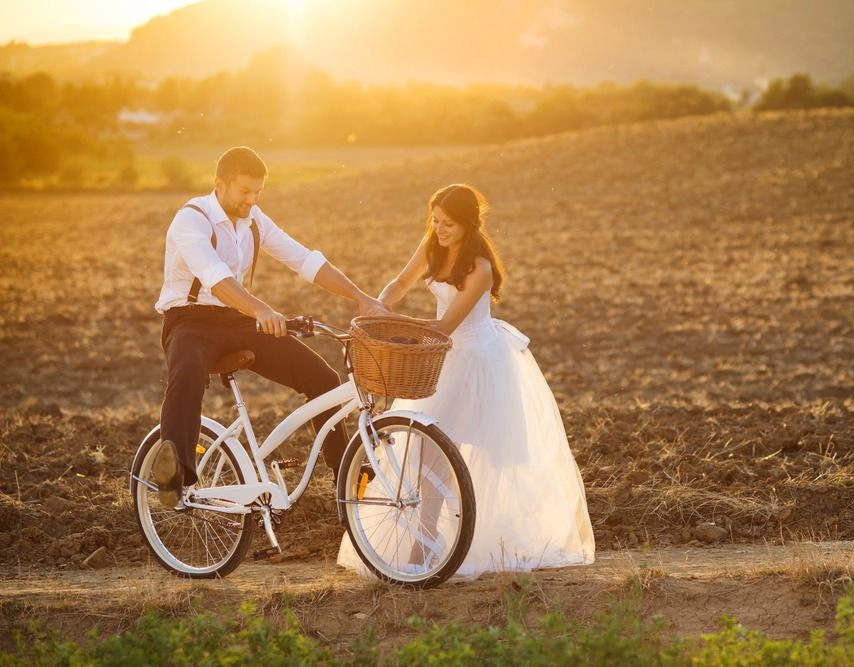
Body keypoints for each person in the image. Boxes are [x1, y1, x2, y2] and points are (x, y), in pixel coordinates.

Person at [337, 183, 595, 578]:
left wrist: (396, 324)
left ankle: (438, 549)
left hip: (475, 359)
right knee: (425, 453)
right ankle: (425, 545)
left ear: (470, 225)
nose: (439, 230)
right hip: (439, 361)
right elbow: (401, 283)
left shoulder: (479, 268)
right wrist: (380, 305)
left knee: (453, 456)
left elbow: (445, 327)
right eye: (435, 221)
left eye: (449, 225)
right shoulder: (432, 246)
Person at [151, 146, 384, 508]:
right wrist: (262, 310)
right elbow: (216, 279)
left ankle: (348, 477)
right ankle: (175, 473)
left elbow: (304, 260)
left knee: (322, 379)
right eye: (244, 192)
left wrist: (359, 297)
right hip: (189, 320)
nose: (251, 201)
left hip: (237, 318)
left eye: (258, 192)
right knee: (188, 372)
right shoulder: (192, 219)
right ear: (220, 185)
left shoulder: (255, 220)